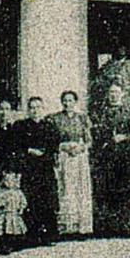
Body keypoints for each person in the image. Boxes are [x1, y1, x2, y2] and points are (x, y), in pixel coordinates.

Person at [91, 83, 130, 238]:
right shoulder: (101, 113)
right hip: (108, 157)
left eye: (116, 92)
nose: (113, 95)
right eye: (111, 92)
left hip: (127, 157)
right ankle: (110, 228)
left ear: (123, 94)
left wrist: (125, 137)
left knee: (129, 190)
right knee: (109, 190)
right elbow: (95, 134)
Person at [11, 97, 61, 245]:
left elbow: (54, 145)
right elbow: (16, 145)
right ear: (28, 110)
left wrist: (45, 154)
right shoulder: (21, 126)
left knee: (47, 200)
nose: (35, 110)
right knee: (31, 200)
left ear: (43, 109)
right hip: (29, 168)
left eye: (38, 107)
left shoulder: (49, 126)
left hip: (45, 168)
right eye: (32, 107)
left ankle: (49, 235)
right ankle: (32, 235)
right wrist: (29, 150)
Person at [49, 90, 93, 237]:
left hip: (79, 157)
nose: (68, 104)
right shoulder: (55, 119)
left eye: (70, 101)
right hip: (64, 157)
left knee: (80, 189)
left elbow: (89, 140)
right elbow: (52, 141)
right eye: (65, 101)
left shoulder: (82, 118)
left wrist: (81, 147)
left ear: (75, 102)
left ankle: (82, 227)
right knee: (66, 188)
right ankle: (68, 227)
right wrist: (63, 147)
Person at [90, 42, 130, 121]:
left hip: (129, 103)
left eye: (123, 49)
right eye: (119, 48)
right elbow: (98, 84)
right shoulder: (107, 67)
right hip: (112, 104)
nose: (121, 51)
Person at [0, 171, 28, 253]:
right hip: (4, 213)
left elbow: (23, 201)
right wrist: (1, 203)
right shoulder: (2, 192)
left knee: (15, 229)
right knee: (3, 229)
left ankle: (15, 244)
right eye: (7, 181)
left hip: (14, 214)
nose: (9, 183)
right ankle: (5, 245)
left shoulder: (17, 192)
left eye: (11, 181)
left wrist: (21, 208)